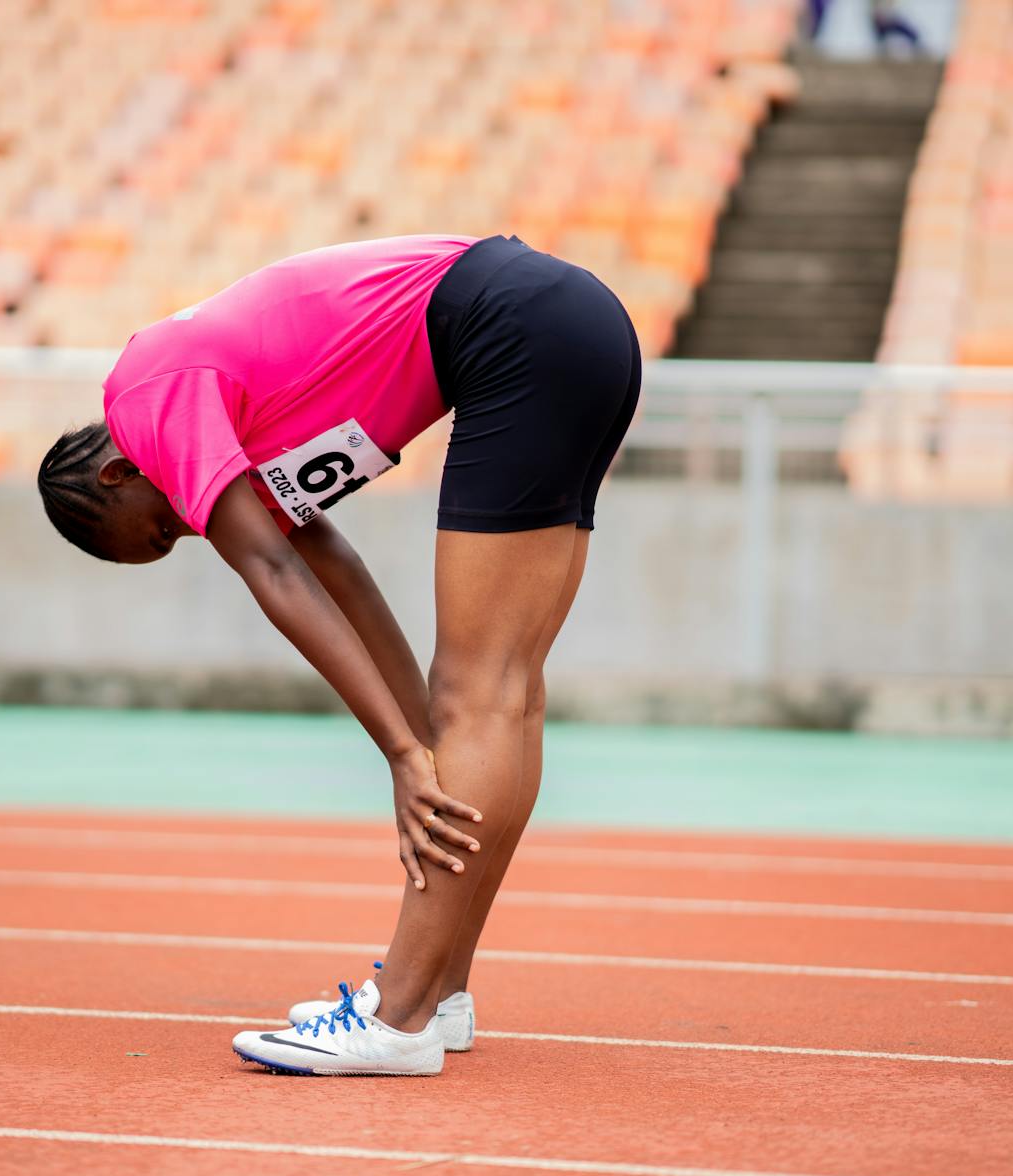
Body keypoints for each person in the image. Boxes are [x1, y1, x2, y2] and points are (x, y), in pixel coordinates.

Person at [37, 234, 641, 1075]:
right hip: (576, 324)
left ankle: (395, 1022)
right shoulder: (218, 422)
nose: (191, 529)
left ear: (114, 475)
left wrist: (403, 755)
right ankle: (439, 996)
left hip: (513, 328)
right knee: (501, 693)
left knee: (484, 692)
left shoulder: (148, 400)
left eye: (164, 528)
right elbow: (337, 569)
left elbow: (275, 571)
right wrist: (423, 742)